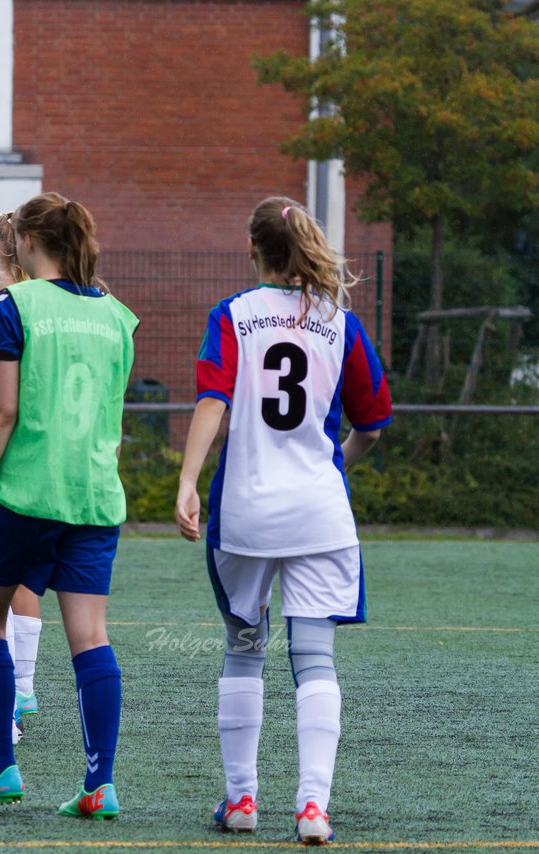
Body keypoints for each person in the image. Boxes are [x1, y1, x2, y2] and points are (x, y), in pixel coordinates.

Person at [175, 197, 391, 844]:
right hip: (320, 512)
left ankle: (241, 801)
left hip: (246, 510)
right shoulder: (340, 321)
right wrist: (335, 467)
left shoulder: (233, 315)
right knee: (315, 658)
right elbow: (373, 426)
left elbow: (213, 399)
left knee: (244, 649)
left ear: (252, 250)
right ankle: (313, 810)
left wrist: (187, 480)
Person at [0, 192, 137, 818]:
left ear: (25, 243)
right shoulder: (118, 315)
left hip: (26, 491)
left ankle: (1, 766)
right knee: (89, 635)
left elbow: (2, 411)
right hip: (94, 494)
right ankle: (99, 785)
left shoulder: (15, 303)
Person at [0, 210, 44, 721]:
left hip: (16, 452)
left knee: (6, 580)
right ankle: (20, 686)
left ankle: (17, 688)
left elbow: (4, 403)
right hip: (38, 451)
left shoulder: (14, 306)